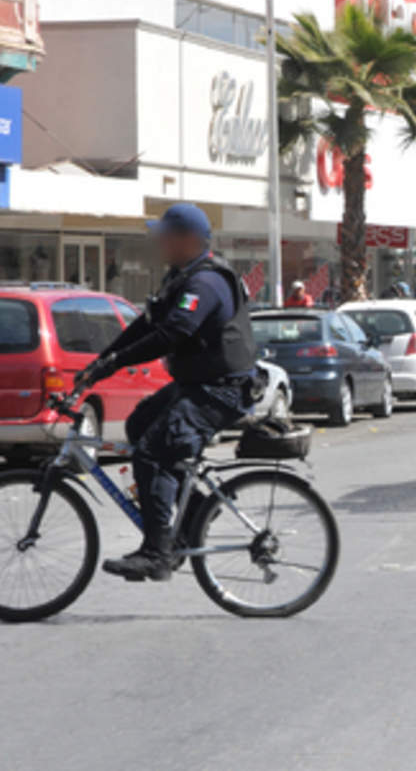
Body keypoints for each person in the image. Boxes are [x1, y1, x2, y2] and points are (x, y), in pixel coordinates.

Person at [75, 203, 257, 582]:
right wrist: (101, 362)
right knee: (140, 425)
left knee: (153, 453)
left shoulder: (205, 283)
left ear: (188, 240)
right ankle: (197, 512)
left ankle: (157, 554)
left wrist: (115, 363)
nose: (159, 242)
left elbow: (174, 333)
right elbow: (147, 325)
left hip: (220, 391)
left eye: (166, 236)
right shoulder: (182, 277)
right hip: (199, 385)